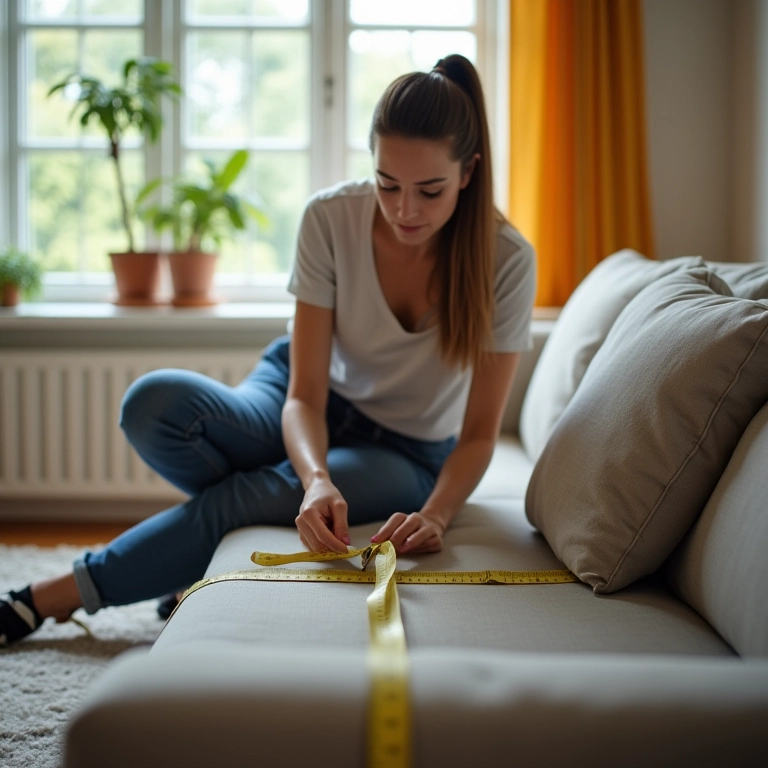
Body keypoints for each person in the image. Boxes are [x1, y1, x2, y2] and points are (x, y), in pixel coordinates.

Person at [0, 54, 535, 647]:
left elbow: (480, 434)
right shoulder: (330, 217)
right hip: (304, 394)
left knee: (245, 495)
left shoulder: (507, 260)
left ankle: (41, 601)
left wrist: (434, 515)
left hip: (406, 452)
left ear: (468, 172)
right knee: (152, 407)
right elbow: (303, 395)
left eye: (429, 191)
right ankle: (185, 560)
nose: (405, 210)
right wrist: (313, 481)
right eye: (388, 184)